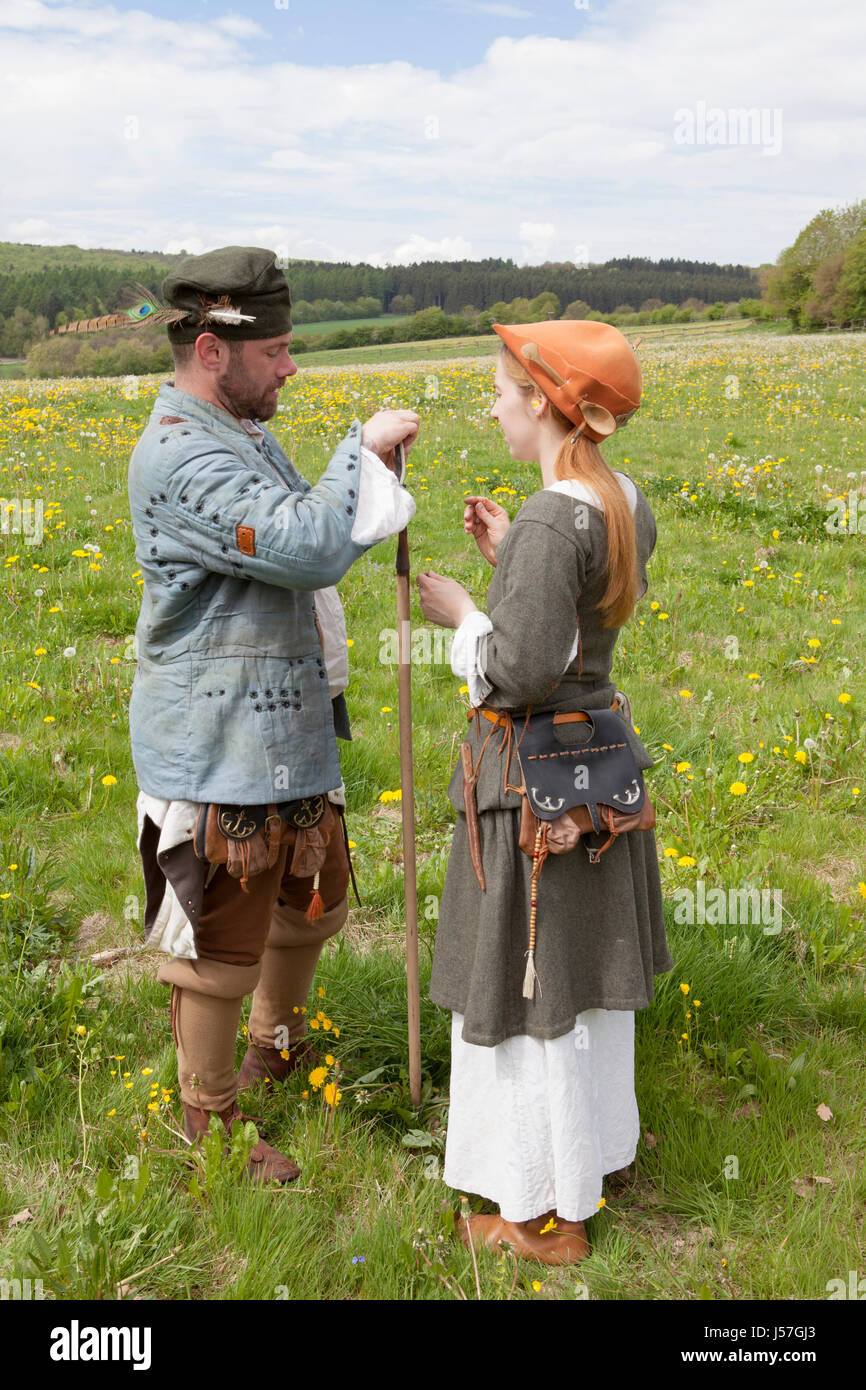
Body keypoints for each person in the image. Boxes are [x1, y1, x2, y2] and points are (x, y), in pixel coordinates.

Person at [127, 247, 419, 1181]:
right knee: (219, 947)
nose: (291, 367)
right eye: (279, 351)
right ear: (213, 349)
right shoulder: (178, 452)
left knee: (312, 905)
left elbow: (297, 525)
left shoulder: (238, 429)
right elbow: (301, 545)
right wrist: (360, 453)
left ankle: (275, 1045)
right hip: (220, 743)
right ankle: (205, 1123)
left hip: (283, 727)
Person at [416, 319, 674, 1264]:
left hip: (531, 784)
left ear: (544, 403)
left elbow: (520, 671)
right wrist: (510, 570)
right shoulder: (621, 501)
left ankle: (537, 1215)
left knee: (534, 989)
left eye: (500, 389)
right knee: (581, 980)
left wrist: (463, 615)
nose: (491, 403)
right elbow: (573, 631)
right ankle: (588, 1166)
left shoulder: (547, 517)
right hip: (598, 760)